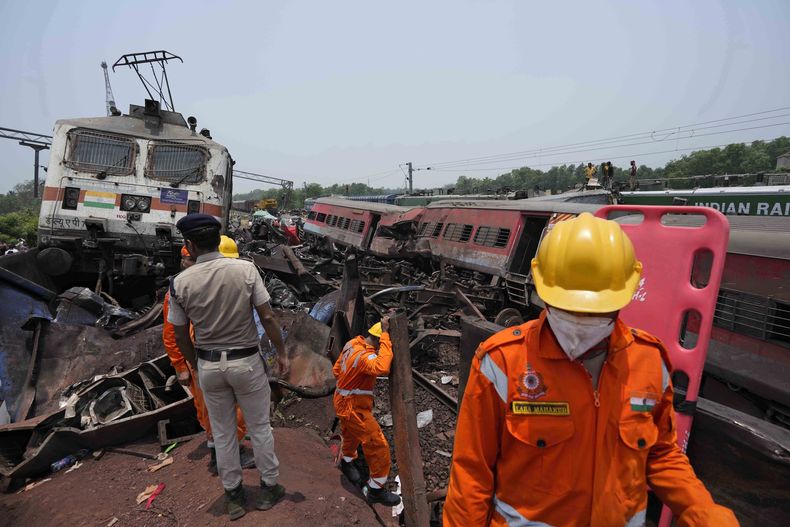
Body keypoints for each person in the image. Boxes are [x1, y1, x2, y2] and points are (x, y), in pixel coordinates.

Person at [444, 213, 738, 527]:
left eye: (596, 309)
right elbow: (472, 473)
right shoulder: (503, 362)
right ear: (542, 292)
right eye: (569, 306)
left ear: (626, 294)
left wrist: (702, 512)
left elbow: (661, 453)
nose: (582, 320)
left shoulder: (649, 361)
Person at [168, 214, 288, 520]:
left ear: (190, 245)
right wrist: (282, 352)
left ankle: (234, 496)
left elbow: (179, 333)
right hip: (246, 362)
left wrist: (194, 364)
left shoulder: (180, 283)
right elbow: (268, 317)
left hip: (209, 366)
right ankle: (269, 487)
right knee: (259, 427)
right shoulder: (245, 270)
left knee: (221, 433)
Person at [162, 244, 253, 474]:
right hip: (202, 360)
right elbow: (172, 334)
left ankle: (224, 452)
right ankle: (223, 459)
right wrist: (180, 366)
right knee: (217, 410)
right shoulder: (180, 289)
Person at [332, 317, 401, 506]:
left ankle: (346, 462)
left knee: (351, 435)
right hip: (353, 407)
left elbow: (336, 370)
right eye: (382, 344)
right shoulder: (364, 357)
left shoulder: (352, 344)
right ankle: (376, 490)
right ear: (379, 340)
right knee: (377, 445)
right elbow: (382, 367)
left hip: (342, 400)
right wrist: (387, 337)